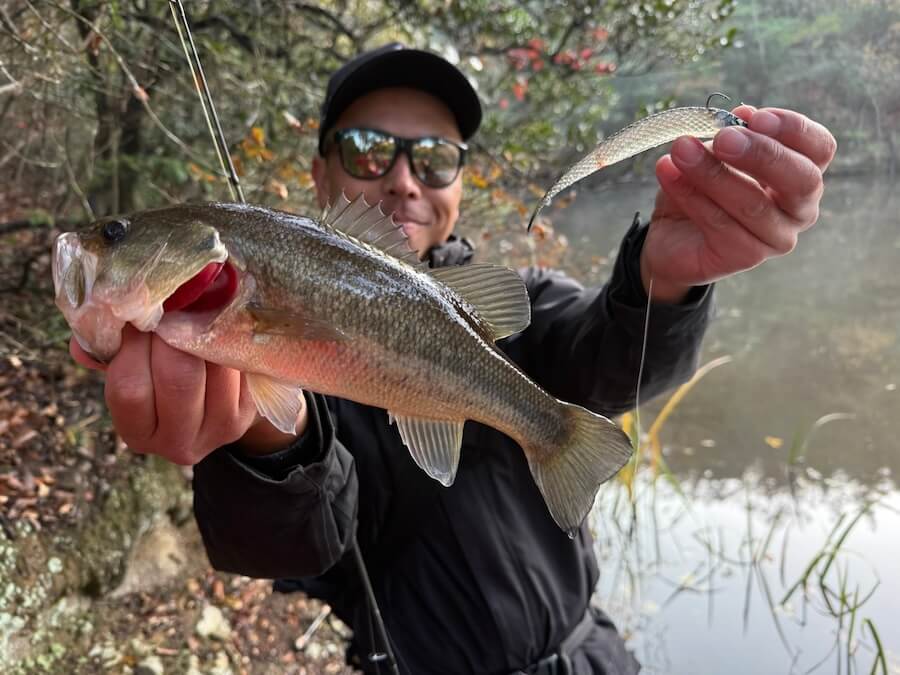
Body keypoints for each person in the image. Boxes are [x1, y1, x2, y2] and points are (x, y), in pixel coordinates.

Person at [71, 43, 836, 674]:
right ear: (321, 173)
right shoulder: (260, 334)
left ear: (460, 182)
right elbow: (299, 549)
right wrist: (270, 447)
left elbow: (601, 361)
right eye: (367, 151)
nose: (402, 180)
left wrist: (666, 282)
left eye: (434, 158)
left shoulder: (524, 305)